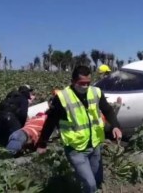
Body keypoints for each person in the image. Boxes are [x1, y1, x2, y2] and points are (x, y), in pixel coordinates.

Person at [36, 65, 122, 193]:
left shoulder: (96, 92)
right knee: (90, 184)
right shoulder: (62, 98)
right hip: (75, 149)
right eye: (82, 83)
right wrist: (42, 143)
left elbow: (108, 110)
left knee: (97, 181)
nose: (86, 86)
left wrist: (116, 126)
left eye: (88, 83)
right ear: (73, 81)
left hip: (94, 145)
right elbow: (50, 121)